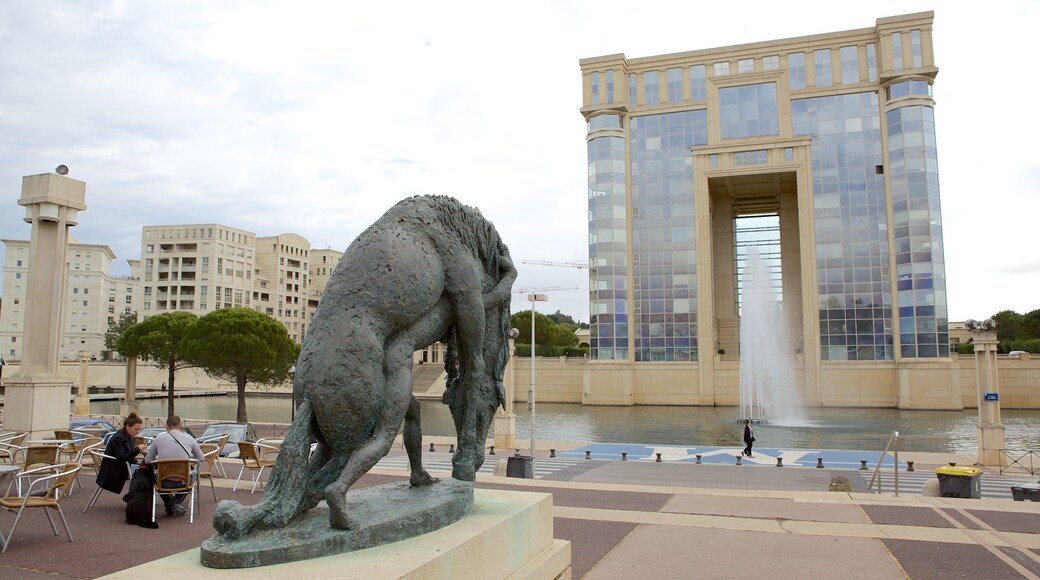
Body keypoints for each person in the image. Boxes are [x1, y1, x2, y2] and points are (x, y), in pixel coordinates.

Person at [145, 415, 205, 516]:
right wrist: (189, 460)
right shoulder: (189, 438)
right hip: (184, 481)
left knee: (154, 478)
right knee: (193, 476)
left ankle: (171, 504)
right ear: (180, 425)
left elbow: (148, 460)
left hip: (164, 481)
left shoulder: (158, 439)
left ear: (167, 426)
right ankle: (174, 504)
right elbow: (201, 458)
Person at [97, 412, 146, 494]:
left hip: (121, 465)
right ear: (127, 427)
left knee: (146, 469)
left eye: (139, 429)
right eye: (136, 429)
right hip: (116, 469)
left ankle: (137, 498)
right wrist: (137, 449)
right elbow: (123, 457)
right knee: (146, 474)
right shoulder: (119, 438)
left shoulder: (127, 436)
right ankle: (136, 498)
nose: (137, 432)